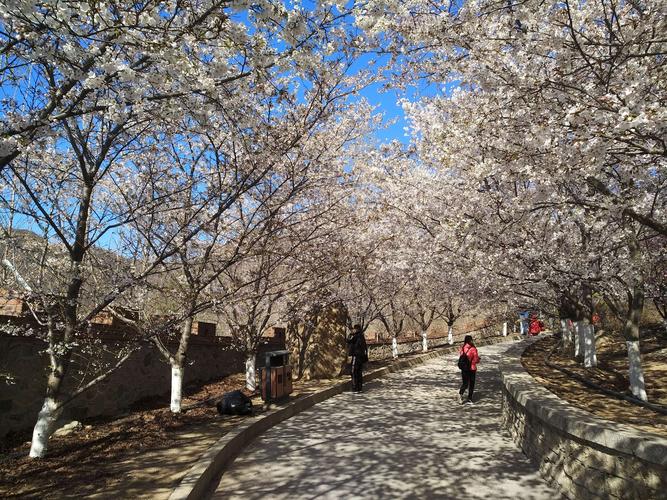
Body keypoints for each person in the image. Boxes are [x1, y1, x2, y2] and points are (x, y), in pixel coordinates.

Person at [458, 335, 480, 404]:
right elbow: (476, 360)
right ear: (470, 340)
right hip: (472, 368)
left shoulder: (462, 348)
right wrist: (478, 360)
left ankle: (460, 394)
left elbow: (462, 357)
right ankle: (469, 398)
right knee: (471, 383)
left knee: (465, 383)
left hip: (464, 368)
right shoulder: (473, 349)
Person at [347, 324, 368, 393]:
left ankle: (355, 387)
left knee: (353, 372)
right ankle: (359, 387)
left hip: (356, 357)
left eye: (354, 329)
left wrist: (349, 335)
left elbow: (349, 341)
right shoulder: (362, 337)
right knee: (359, 372)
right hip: (361, 358)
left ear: (356, 329)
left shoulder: (356, 337)